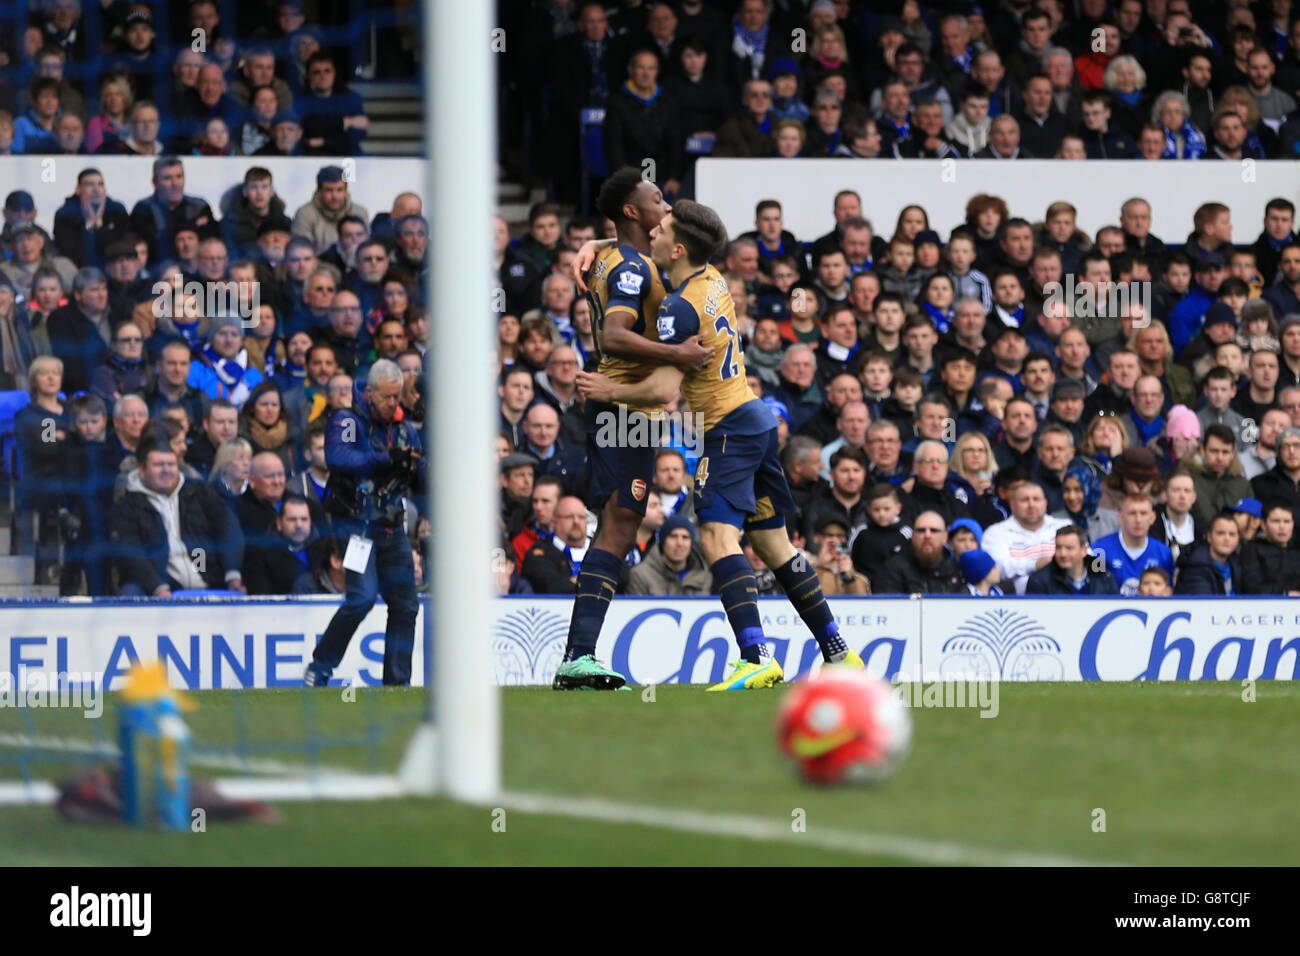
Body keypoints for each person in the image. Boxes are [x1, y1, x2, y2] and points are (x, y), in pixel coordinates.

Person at [577, 198, 864, 691]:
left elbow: (665, 390)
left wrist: (611, 390)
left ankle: (757, 657)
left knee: (715, 538)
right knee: (774, 543)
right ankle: (839, 652)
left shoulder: (676, 308)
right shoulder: (710, 279)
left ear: (679, 246)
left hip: (727, 428)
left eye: (662, 229)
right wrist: (602, 241)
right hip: (755, 417)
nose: (654, 234)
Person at [306, 361, 423, 687]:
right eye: (386, 397)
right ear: (369, 393)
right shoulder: (347, 420)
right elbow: (339, 459)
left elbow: (419, 464)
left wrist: (417, 462)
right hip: (355, 527)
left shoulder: (404, 428)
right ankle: (321, 666)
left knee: (406, 605)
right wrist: (387, 458)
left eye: (397, 397)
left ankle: (397, 684)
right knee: (361, 599)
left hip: (391, 526)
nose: (392, 404)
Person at [109, 428, 245, 595]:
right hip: (159, 587)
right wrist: (159, 588)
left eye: (171, 464)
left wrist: (233, 575)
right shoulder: (127, 506)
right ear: (142, 471)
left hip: (207, 577)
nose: (166, 470)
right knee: (130, 591)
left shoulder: (200, 492)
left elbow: (228, 529)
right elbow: (131, 554)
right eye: (159, 465)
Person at [982, 481, 1069, 594]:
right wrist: (1035, 564)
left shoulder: (1065, 526)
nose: (1031, 505)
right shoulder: (995, 533)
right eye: (1024, 500)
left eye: (1036, 499)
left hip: (1065, 597)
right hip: (1014, 602)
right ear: (1012, 505)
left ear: (1045, 503)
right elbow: (997, 568)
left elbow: (1085, 558)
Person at [1091, 495, 1176, 596]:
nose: (1138, 520)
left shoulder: (1163, 552)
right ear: (1120, 517)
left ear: (1152, 518)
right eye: (1132, 513)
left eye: (1143, 513)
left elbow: (1168, 593)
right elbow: (1094, 592)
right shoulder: (1100, 549)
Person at [871, 509, 964, 594]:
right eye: (921, 530)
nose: (927, 535)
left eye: (934, 530)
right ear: (913, 536)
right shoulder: (893, 569)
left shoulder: (956, 569)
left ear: (945, 537)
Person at [243, 494, 317, 594]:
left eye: (304, 519)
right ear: (279, 523)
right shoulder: (260, 554)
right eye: (292, 519)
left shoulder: (323, 550)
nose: (299, 525)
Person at [521, 495, 594, 594]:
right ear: (554, 522)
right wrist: (595, 582)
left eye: (581, 517)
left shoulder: (600, 549)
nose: (576, 521)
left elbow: (621, 578)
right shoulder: (539, 553)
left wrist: (574, 581)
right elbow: (550, 586)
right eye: (569, 517)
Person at [626, 513, 712, 595]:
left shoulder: (706, 577)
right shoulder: (640, 575)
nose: (679, 543)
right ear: (663, 542)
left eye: (685, 537)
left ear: (691, 543)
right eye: (673, 536)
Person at [1024, 525, 1120, 594]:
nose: (1062, 554)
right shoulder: (1039, 581)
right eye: (1058, 548)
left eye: (1069, 548)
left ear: (1084, 550)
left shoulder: (1104, 577)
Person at [1239, 503, 1300, 595]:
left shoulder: (1296, 551)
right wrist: (1284, 593)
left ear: (1293, 524)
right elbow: (1251, 587)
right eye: (1276, 521)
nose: (1282, 527)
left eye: (1287, 521)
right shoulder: (1251, 550)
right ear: (1263, 524)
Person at [1174, 514, 1242, 595]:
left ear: (1238, 539)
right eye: (1220, 533)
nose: (1227, 539)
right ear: (1209, 537)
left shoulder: (1236, 563)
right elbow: (1205, 604)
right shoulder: (1195, 566)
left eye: (1232, 534)